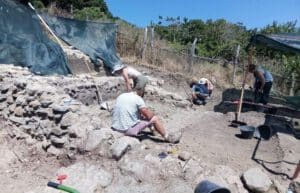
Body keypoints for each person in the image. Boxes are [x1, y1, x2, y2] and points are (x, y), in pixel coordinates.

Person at [111, 80, 181, 144]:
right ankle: (167, 137)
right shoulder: (138, 99)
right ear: (141, 90)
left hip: (115, 127)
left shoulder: (122, 95)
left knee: (143, 116)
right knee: (154, 118)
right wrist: (151, 113)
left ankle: (153, 131)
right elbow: (149, 116)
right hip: (126, 130)